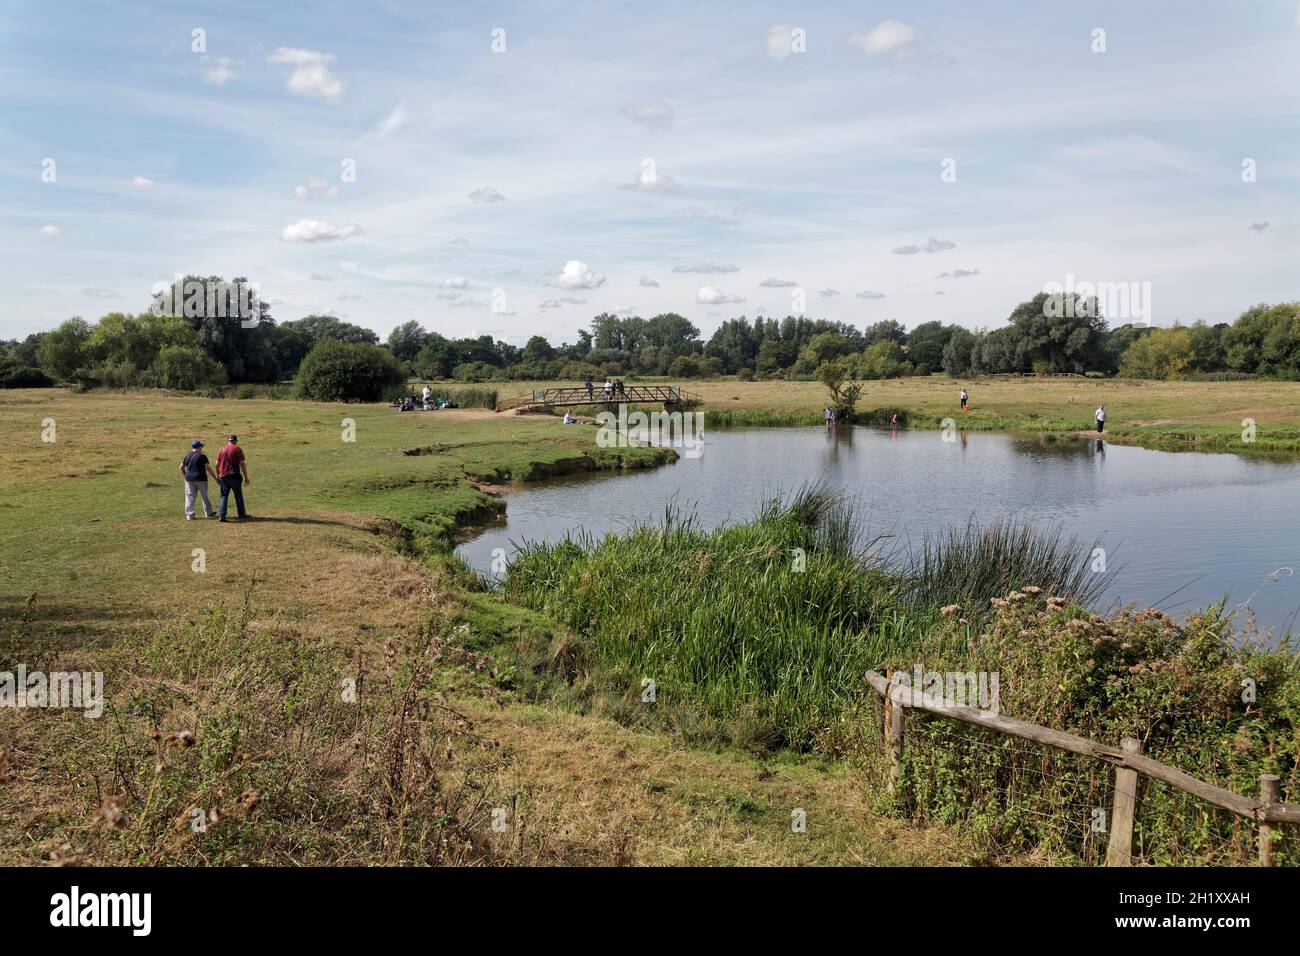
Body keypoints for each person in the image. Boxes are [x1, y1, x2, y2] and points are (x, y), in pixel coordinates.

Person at [179, 440, 219, 520]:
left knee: (190, 497)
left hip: (189, 480)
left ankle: (190, 515)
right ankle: (208, 513)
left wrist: (186, 475)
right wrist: (215, 478)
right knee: (205, 496)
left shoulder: (188, 455)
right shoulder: (202, 456)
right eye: (202, 446)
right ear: (199, 447)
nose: (202, 448)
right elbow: (208, 468)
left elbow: (181, 467)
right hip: (201, 479)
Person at [216, 434, 250, 522]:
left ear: (228, 441)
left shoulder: (221, 450)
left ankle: (222, 515)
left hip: (223, 476)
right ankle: (241, 514)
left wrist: (218, 475)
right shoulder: (237, 449)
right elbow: (242, 463)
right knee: (238, 495)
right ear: (235, 441)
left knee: (224, 496)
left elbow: (216, 464)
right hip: (234, 475)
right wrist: (246, 477)